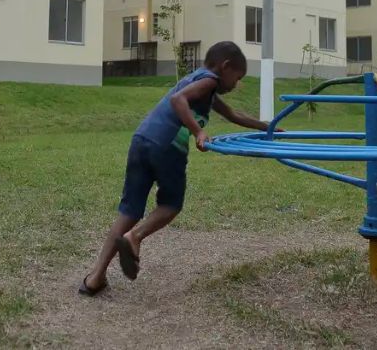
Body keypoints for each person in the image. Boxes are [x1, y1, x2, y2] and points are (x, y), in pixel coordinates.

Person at [79, 41, 272, 296]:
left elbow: (234, 115)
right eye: (237, 78)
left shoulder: (200, 83)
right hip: (167, 146)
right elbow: (177, 100)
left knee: (129, 211)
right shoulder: (210, 81)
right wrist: (198, 131)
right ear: (225, 67)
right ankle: (135, 237)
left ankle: (95, 277)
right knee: (171, 205)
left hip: (142, 140)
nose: (236, 85)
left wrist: (267, 127)